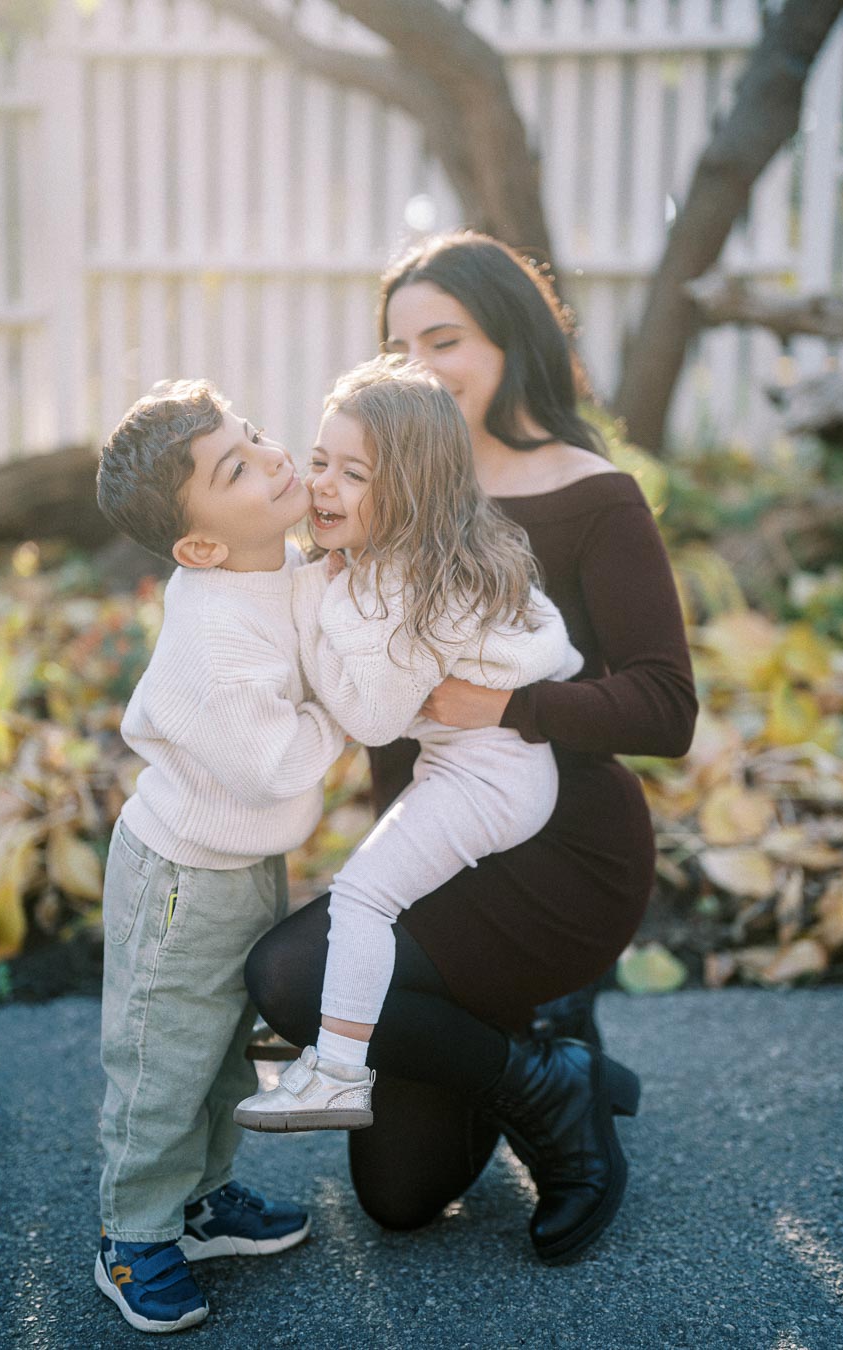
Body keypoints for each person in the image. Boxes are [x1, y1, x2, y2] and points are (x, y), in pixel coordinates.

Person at [243, 232, 698, 1266]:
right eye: (397, 348)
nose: (420, 368)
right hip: (437, 850)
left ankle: (551, 1075)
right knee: (401, 1199)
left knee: (290, 980)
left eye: (443, 338)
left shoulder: (592, 495)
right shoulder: (372, 487)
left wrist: (513, 704)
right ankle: (538, 1057)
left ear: (511, 340)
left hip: (557, 854)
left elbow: (667, 708)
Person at [233, 357, 586, 1132]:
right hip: (485, 768)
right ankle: (332, 1029)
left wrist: (320, 613)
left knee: (362, 897)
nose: (324, 484)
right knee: (366, 890)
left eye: (353, 474)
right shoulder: (419, 558)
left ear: (412, 493)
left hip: (490, 782)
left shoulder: (407, 590)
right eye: (321, 461)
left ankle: (337, 1073)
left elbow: (371, 721)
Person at [93, 379, 346, 1333]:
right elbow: (273, 763)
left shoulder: (268, 563)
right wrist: (342, 717)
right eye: (237, 466)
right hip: (181, 879)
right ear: (198, 544)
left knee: (227, 1054)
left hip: (242, 863)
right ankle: (134, 1232)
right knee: (165, 1060)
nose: (276, 456)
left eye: (255, 436)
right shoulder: (210, 637)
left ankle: (201, 1200)